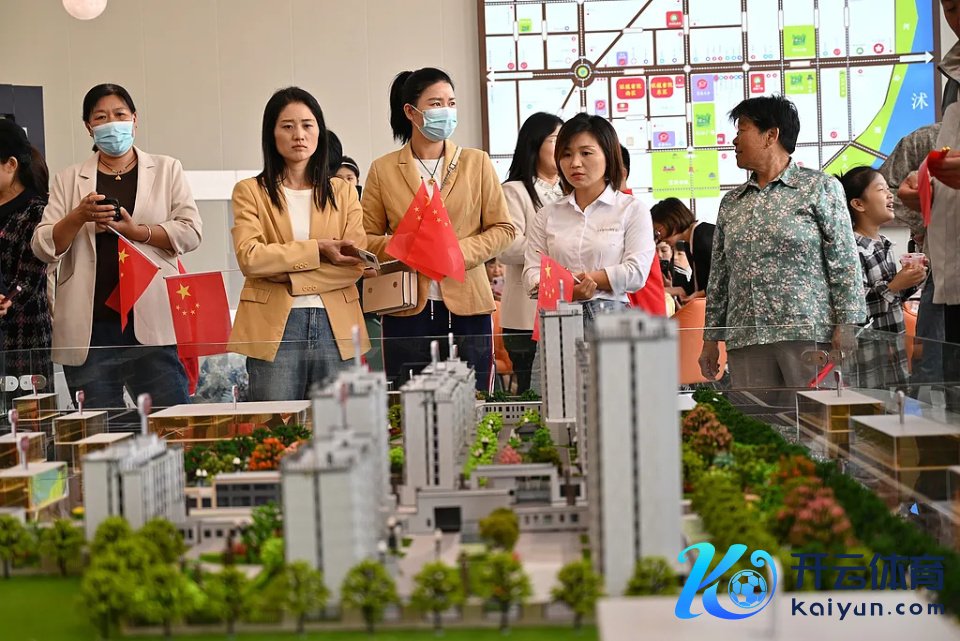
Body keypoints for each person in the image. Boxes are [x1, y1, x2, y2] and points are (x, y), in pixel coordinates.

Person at [32, 83, 202, 412]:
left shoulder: (167, 169)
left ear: (135, 119)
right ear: (88, 127)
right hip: (91, 325)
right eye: (101, 117)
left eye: (120, 114)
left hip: (151, 318)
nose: (112, 123)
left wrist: (138, 232)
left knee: (172, 421)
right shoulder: (69, 178)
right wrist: (78, 216)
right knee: (101, 426)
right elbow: (42, 246)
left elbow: (191, 232)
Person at [699, 95, 865, 401]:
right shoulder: (732, 203)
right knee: (757, 422)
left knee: (817, 420)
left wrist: (847, 323)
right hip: (746, 336)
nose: (734, 140)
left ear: (770, 135)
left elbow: (844, 261)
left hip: (808, 335)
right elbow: (719, 276)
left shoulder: (820, 188)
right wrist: (711, 339)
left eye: (742, 130)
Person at [362, 67, 514, 391]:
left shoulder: (477, 162)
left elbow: (503, 228)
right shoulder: (383, 169)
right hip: (406, 307)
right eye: (435, 103)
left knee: (473, 398)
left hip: (469, 304)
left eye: (451, 102)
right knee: (408, 400)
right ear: (410, 112)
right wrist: (408, 246)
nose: (446, 111)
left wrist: (454, 252)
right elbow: (365, 240)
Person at [229, 87, 370, 401]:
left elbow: (354, 263)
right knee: (275, 423)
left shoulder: (343, 191)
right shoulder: (250, 191)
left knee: (342, 424)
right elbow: (250, 257)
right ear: (272, 133)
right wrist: (317, 249)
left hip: (338, 325)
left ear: (319, 130)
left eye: (307, 125)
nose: (299, 135)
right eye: (287, 126)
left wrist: (289, 275)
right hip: (273, 327)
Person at [522, 113, 654, 332]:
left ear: (608, 155)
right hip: (558, 318)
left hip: (612, 318)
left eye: (586, 153)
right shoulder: (547, 215)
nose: (575, 163)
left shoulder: (632, 210)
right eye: (566, 154)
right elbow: (532, 275)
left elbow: (636, 273)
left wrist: (585, 280)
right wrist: (569, 291)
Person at [838, 167, 926, 388]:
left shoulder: (883, 244)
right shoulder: (851, 248)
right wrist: (894, 286)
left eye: (888, 189)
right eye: (881, 189)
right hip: (868, 360)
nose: (890, 195)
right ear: (858, 204)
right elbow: (855, 306)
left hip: (894, 352)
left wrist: (911, 279)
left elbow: (892, 297)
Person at [499, 112, 564, 393]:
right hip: (526, 315)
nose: (564, 147)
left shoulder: (572, 191)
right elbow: (507, 247)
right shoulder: (514, 191)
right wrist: (558, 246)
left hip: (569, 307)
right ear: (535, 143)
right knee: (532, 390)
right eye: (556, 140)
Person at [0, 120, 53, 400]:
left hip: (22, 336)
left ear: (11, 164)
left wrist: (6, 300)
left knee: (26, 418)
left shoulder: (37, 212)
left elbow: (28, 280)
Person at [651, 197, 715, 302]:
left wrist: (700, 294)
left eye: (659, 231)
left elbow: (724, 276)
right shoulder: (690, 242)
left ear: (672, 221)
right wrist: (661, 291)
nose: (660, 238)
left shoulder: (703, 236)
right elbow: (694, 286)